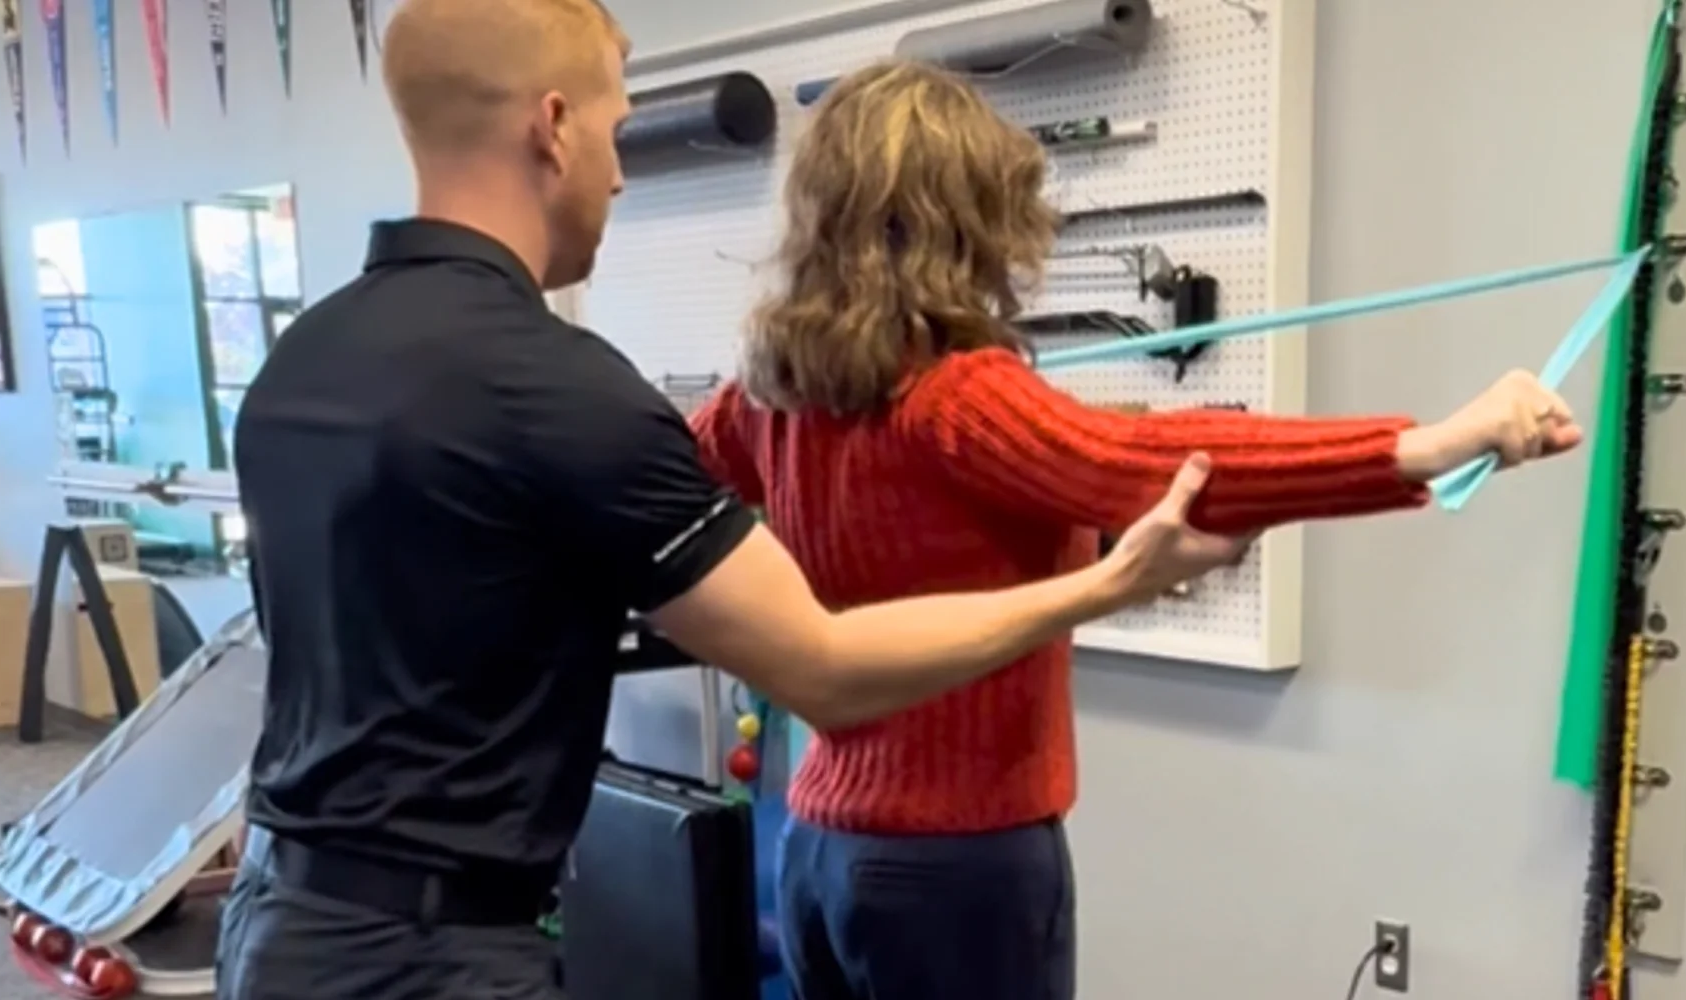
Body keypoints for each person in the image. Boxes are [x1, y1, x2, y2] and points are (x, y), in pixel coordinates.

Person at [212, 5, 1254, 999]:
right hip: (430, 959)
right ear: (553, 126)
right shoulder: (555, 389)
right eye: (616, 131)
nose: (620, 174)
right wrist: (1108, 583)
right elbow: (824, 670)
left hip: (278, 923)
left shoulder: (303, 362)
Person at [687, 60, 1585, 1000]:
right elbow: (1152, 461)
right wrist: (1430, 445)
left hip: (819, 853)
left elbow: (668, 468)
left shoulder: (770, 397)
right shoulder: (955, 397)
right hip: (955, 868)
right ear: (967, 219)